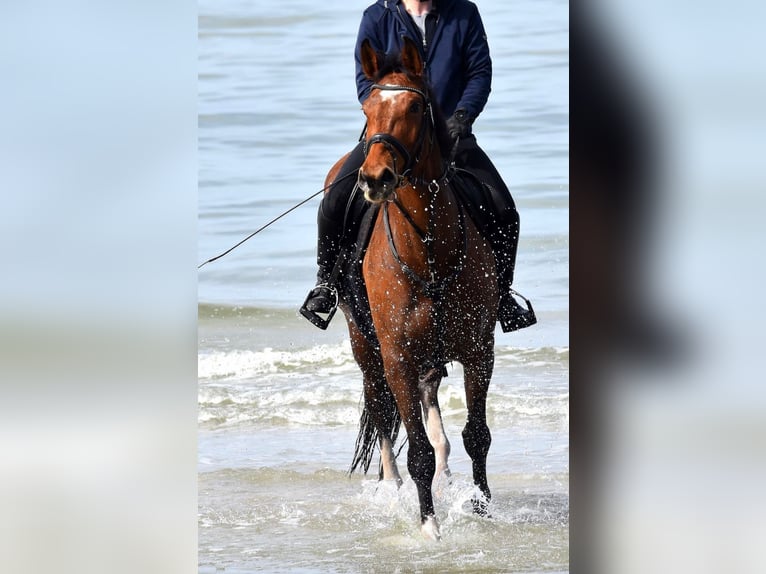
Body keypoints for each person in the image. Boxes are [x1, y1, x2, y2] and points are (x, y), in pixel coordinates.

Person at [301, 0, 535, 333]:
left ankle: (502, 296)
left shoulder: (463, 13)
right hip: (393, 136)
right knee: (336, 199)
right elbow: (365, 83)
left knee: (504, 208)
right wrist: (390, 115)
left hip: (451, 135)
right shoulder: (376, 17)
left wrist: (462, 117)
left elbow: (479, 73)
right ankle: (327, 284)